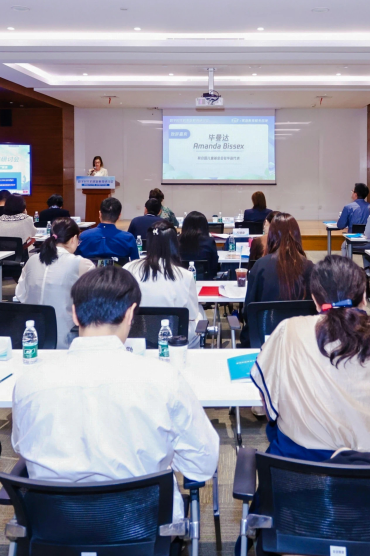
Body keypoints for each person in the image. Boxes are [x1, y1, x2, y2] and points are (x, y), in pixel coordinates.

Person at [11, 265, 219, 527]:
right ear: (131, 314)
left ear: (74, 314)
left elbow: (21, 446)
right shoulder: (164, 379)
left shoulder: (29, 382)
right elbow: (202, 464)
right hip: (141, 528)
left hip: (53, 529)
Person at [250, 254, 370, 460]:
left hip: (302, 470)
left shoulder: (288, 331)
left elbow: (268, 405)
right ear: (364, 297)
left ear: (315, 299)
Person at [122, 221, 206, 348]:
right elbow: (192, 315)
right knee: (200, 314)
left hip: (136, 336)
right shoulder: (185, 275)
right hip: (174, 338)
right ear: (174, 243)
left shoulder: (129, 268)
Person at [14, 218, 93, 348]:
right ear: (74, 239)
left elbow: (20, 295)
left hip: (30, 337)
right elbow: (94, 301)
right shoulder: (81, 263)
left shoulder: (32, 260)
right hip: (66, 339)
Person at [244, 213, 314, 311]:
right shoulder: (311, 268)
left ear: (271, 236)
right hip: (301, 321)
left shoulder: (260, 266)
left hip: (266, 321)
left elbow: (248, 310)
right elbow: (317, 308)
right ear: (297, 235)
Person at [75, 197, 140, 262]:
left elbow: (76, 261)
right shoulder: (128, 238)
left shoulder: (83, 236)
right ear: (119, 216)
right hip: (119, 269)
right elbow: (135, 262)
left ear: (100, 214)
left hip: (91, 268)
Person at [178, 211, 219, 280]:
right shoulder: (209, 241)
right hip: (205, 280)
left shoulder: (177, 241)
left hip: (181, 279)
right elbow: (214, 266)